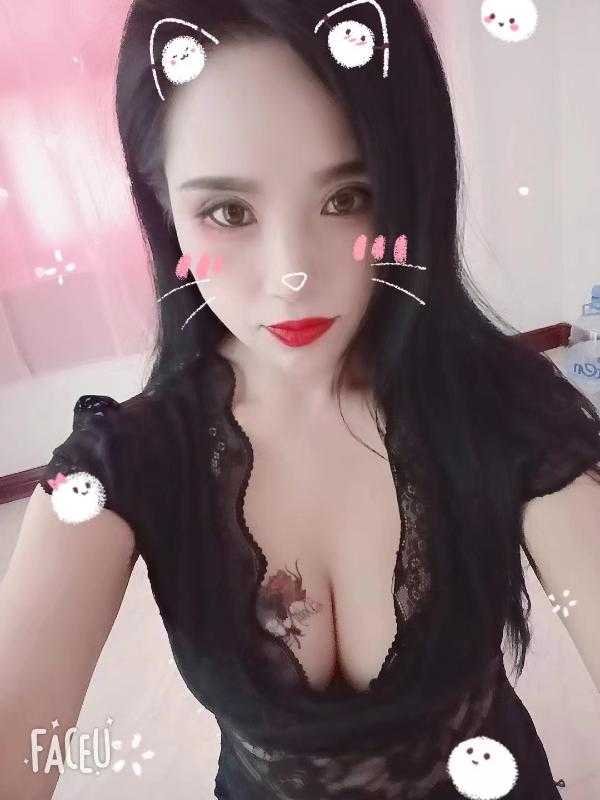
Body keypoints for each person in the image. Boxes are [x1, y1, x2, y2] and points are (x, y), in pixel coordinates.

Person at [2, 1, 600, 797]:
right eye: (228, 212)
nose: (292, 275)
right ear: (165, 209)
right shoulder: (123, 466)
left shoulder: (506, 409)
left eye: (348, 196)